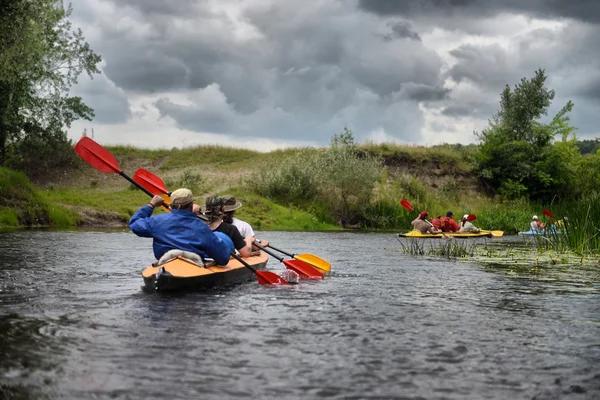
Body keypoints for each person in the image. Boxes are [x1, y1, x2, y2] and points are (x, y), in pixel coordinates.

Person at [128, 188, 231, 266]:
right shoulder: (202, 228)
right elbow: (223, 258)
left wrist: (151, 205)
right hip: (194, 264)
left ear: (171, 205)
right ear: (192, 205)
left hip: (165, 263)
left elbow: (134, 223)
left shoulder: (157, 222)